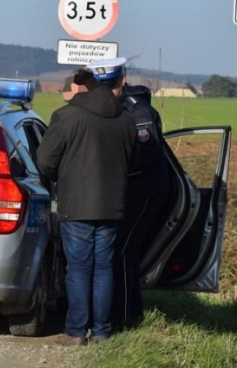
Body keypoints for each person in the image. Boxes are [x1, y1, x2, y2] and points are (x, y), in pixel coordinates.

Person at [37, 58, 135, 346]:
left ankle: (76, 331)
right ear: (121, 82)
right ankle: (103, 332)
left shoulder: (66, 116)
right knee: (104, 268)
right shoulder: (127, 120)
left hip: (76, 204)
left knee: (78, 268)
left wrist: (61, 178)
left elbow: (45, 161)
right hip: (112, 206)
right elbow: (133, 162)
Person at [112, 82, 171, 328]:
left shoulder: (140, 112)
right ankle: (130, 312)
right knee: (128, 252)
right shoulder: (139, 109)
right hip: (143, 189)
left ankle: (126, 316)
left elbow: (145, 154)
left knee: (124, 252)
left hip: (143, 190)